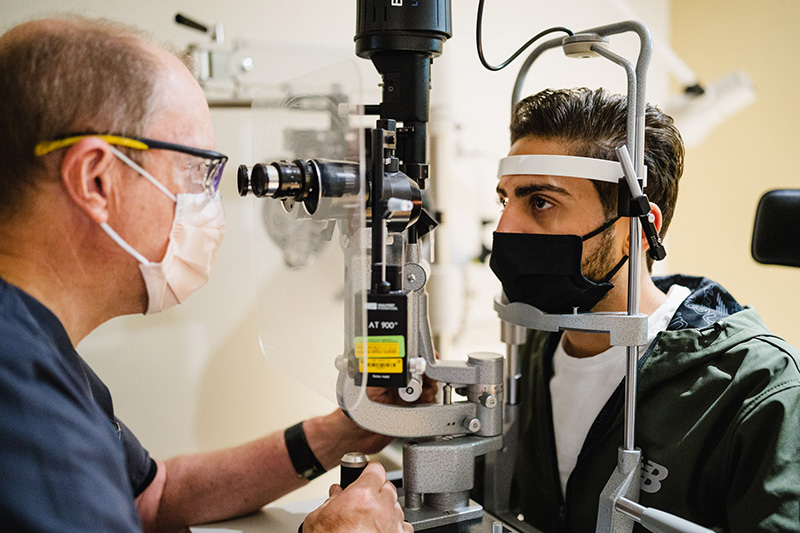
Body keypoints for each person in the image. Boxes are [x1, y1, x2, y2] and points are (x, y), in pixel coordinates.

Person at [0, 16, 414, 533]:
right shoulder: (21, 406)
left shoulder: (41, 354)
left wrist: (342, 434)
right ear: (96, 180)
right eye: (197, 170)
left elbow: (153, 497)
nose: (210, 199)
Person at [486, 88, 800, 532]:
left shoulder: (756, 389)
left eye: (541, 202)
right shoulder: (534, 349)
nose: (505, 228)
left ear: (638, 227)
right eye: (506, 199)